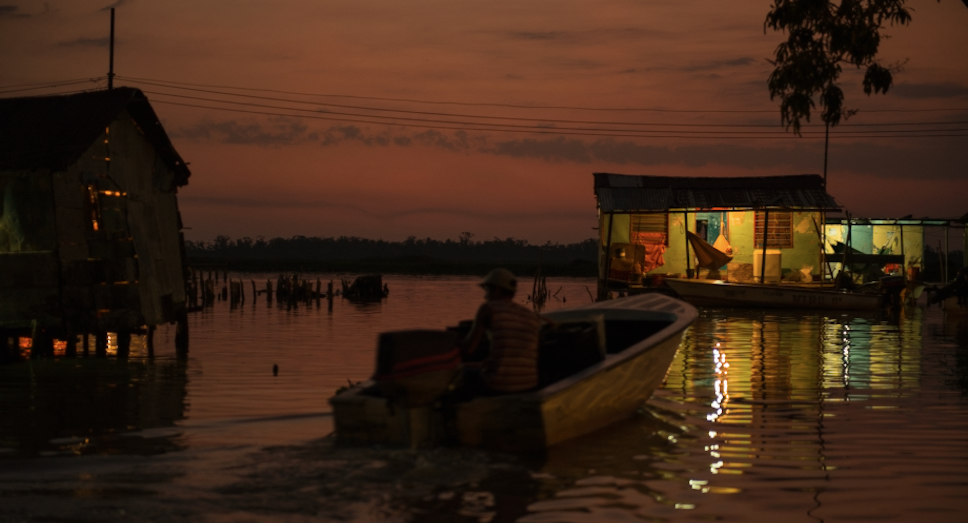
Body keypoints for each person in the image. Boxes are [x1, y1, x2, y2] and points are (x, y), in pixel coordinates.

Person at [461, 268, 545, 394]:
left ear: (497, 289)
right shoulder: (531, 316)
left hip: (499, 384)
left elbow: (468, 350)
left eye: (487, 290)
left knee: (456, 372)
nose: (485, 296)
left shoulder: (488, 308)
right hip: (530, 383)